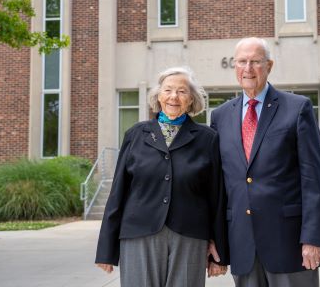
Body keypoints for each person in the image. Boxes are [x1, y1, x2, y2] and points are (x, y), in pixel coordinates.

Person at [210, 37, 320, 287]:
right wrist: (216, 240)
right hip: (241, 243)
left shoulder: (297, 108)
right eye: (242, 61)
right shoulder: (220, 116)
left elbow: (313, 178)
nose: (248, 69)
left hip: (289, 243)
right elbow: (219, 185)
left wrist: (313, 238)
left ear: (269, 66)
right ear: (234, 66)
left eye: (255, 61)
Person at [95, 66, 229, 286]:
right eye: (168, 90)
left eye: (182, 91)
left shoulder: (208, 139)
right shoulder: (136, 134)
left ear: (192, 99)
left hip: (190, 235)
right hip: (139, 232)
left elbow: (217, 197)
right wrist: (106, 249)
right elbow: (118, 192)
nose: (174, 97)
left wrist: (220, 249)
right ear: (158, 95)